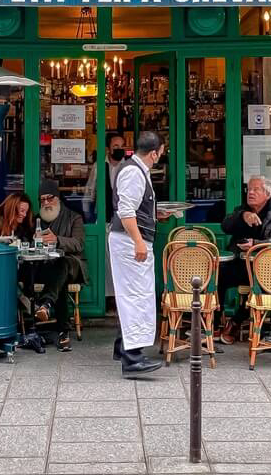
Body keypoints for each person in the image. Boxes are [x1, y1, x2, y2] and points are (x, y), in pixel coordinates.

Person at [109, 130, 170, 378]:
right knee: (136, 295)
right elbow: (125, 211)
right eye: (162, 152)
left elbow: (134, 208)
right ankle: (132, 359)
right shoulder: (134, 173)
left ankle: (122, 347)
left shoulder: (135, 169)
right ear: (154, 153)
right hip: (128, 242)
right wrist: (138, 242)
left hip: (129, 239)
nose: (162, 156)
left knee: (133, 294)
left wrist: (154, 215)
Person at [217, 175, 271, 345]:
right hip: (241, 264)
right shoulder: (242, 210)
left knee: (258, 286)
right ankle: (214, 322)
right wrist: (243, 216)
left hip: (267, 269)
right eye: (249, 189)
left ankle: (235, 323)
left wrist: (257, 244)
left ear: (267, 194)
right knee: (218, 275)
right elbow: (225, 226)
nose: (250, 192)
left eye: (256, 189)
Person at [34, 178, 87, 352]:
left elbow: (78, 244)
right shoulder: (38, 220)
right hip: (46, 266)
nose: (47, 203)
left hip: (71, 265)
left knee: (61, 264)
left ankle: (46, 306)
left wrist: (57, 240)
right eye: (43, 200)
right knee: (58, 280)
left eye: (50, 198)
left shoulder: (74, 217)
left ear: (58, 198)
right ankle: (62, 330)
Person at [84, 131, 127, 222]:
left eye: (122, 146)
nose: (120, 149)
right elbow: (90, 191)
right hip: (103, 218)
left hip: (125, 219)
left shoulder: (130, 166)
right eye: (116, 146)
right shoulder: (99, 165)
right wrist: (88, 214)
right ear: (108, 149)